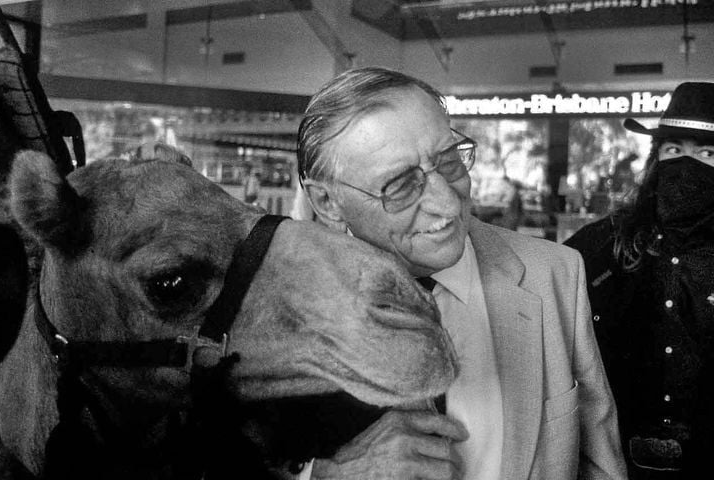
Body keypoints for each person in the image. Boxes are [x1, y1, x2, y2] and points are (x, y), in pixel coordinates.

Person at [297, 66, 626, 480]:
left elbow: (599, 463)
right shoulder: (282, 310)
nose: (449, 206)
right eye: (399, 185)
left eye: (449, 161)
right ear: (327, 202)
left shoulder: (556, 274)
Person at [565, 82, 714, 479]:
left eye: (707, 152)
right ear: (656, 159)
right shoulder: (609, 243)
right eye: (674, 150)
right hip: (615, 461)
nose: (688, 164)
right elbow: (537, 279)